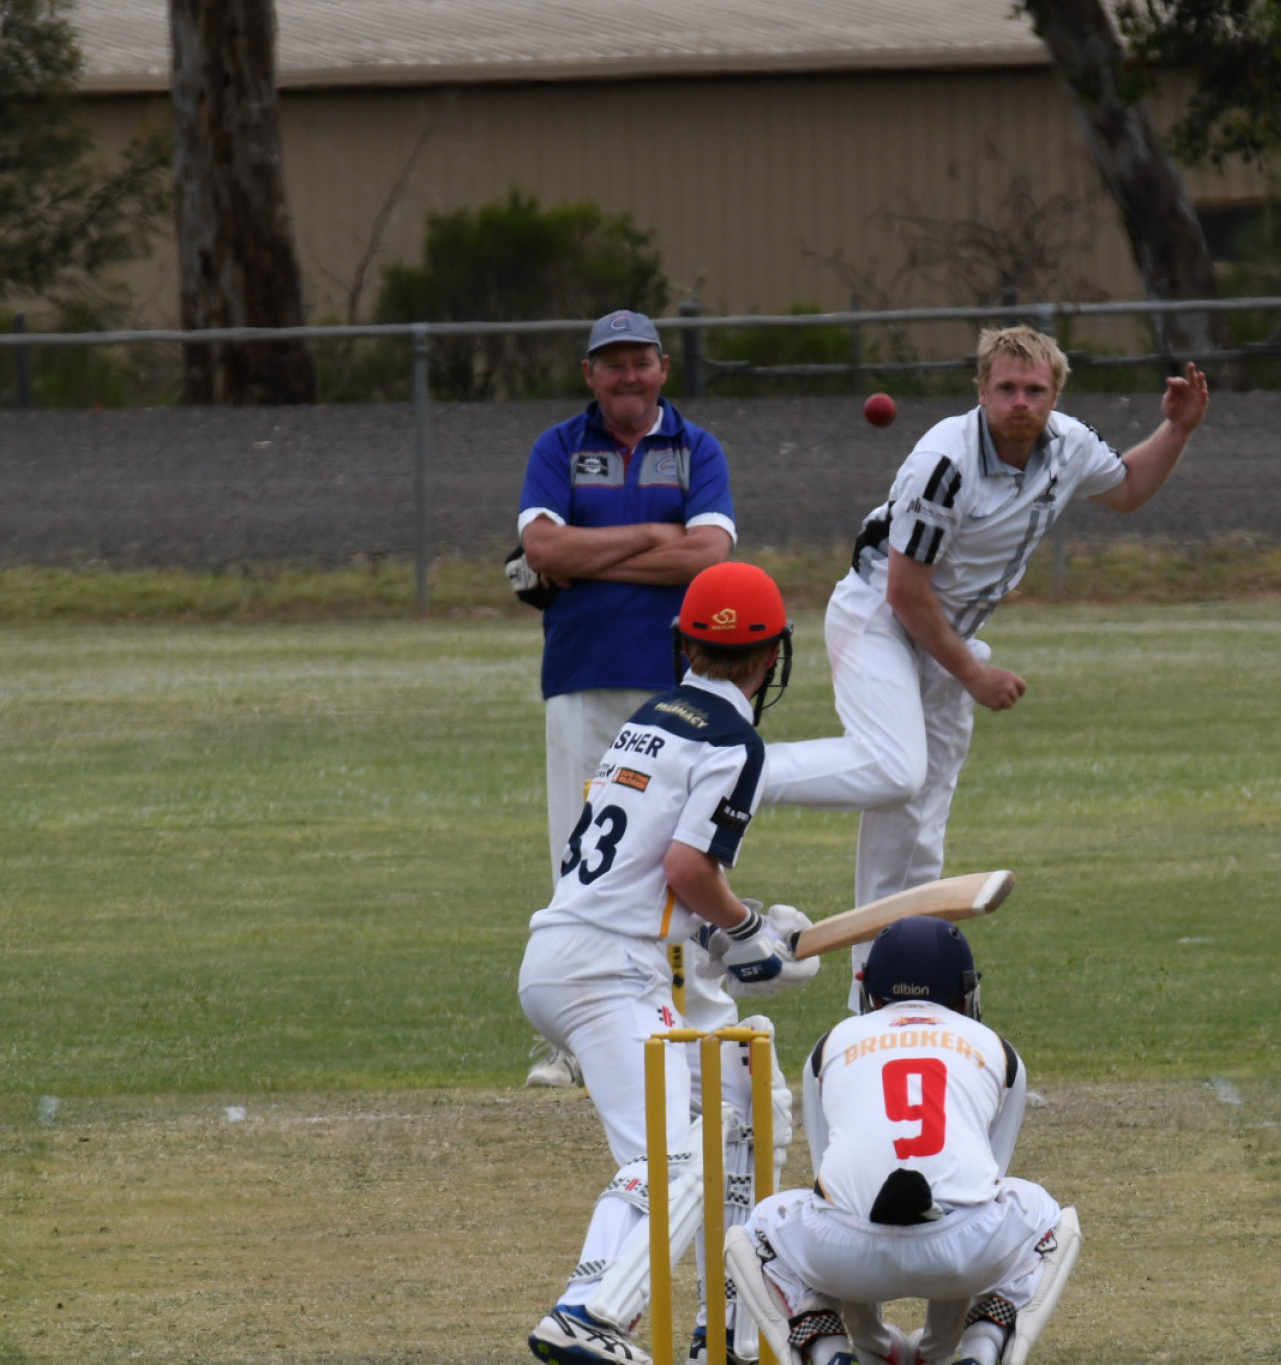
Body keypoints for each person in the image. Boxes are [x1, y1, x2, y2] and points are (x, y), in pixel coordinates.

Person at [763, 327, 1209, 1005]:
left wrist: (1177, 429)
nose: (1020, 402)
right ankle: (739, 772)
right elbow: (904, 592)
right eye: (1006, 388)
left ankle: (884, 994)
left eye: (1034, 389)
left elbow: (1127, 489)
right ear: (981, 391)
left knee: (919, 825)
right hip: (879, 618)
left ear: (1055, 396)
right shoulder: (944, 462)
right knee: (895, 770)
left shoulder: (1068, 444)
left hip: (946, 635)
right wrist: (974, 675)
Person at [519, 561, 820, 1365]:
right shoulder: (733, 740)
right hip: (607, 971)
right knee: (678, 1155)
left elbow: (654, 876)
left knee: (750, 1102)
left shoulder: (651, 716)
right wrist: (747, 927)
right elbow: (688, 869)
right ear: (772, 657)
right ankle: (588, 1311)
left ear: (685, 643)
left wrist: (738, 938)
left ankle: (730, 1330)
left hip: (577, 952)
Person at [516, 308, 736, 1088]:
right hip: (582, 672)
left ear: (663, 368)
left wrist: (593, 557)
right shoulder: (558, 447)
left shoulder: (697, 447)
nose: (628, 376)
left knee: (681, 853)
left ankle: (688, 1024)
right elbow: (542, 547)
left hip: (679, 680)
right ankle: (578, 1041)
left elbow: (709, 554)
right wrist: (654, 536)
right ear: (591, 374)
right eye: (613, 363)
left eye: (641, 361)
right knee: (582, 853)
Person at [724, 917, 1079, 1365]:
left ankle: (826, 1350)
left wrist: (872, 1340)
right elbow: (981, 1186)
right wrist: (936, 1348)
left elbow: (831, 1188)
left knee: (758, 1229)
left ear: (870, 991)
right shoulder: (998, 1048)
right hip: (964, 1251)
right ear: (963, 992)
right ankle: (985, 1346)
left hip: (846, 1254)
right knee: (1046, 1216)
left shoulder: (830, 1043)